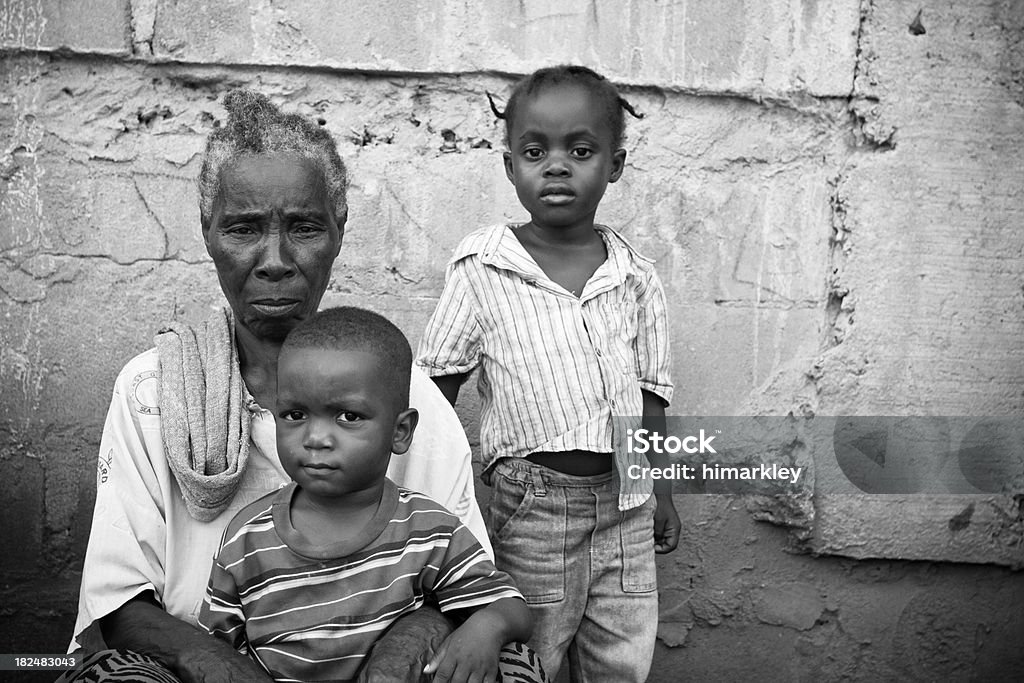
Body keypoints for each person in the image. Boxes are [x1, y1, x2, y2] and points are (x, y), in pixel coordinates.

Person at [64, 89, 545, 682]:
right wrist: (223, 666)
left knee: (510, 667)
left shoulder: (406, 396)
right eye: (242, 229)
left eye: (304, 227)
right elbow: (120, 604)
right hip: (205, 659)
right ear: (209, 234)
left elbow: (463, 587)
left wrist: (398, 653)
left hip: (377, 666)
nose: (274, 259)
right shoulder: (152, 393)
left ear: (339, 230)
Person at [416, 65, 679, 682]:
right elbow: (436, 391)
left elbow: (651, 395)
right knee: (528, 656)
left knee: (622, 656)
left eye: (580, 151)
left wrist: (661, 491)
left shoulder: (637, 278)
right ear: (511, 167)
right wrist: (428, 500)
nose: (556, 166)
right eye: (535, 152)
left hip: (628, 509)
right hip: (531, 510)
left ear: (614, 164)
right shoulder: (483, 268)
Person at [198, 306, 534, 682]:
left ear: (401, 431)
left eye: (348, 417)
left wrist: (485, 628)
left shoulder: (428, 530)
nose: (315, 439)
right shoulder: (247, 539)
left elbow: (511, 607)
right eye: (294, 415)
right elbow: (218, 652)